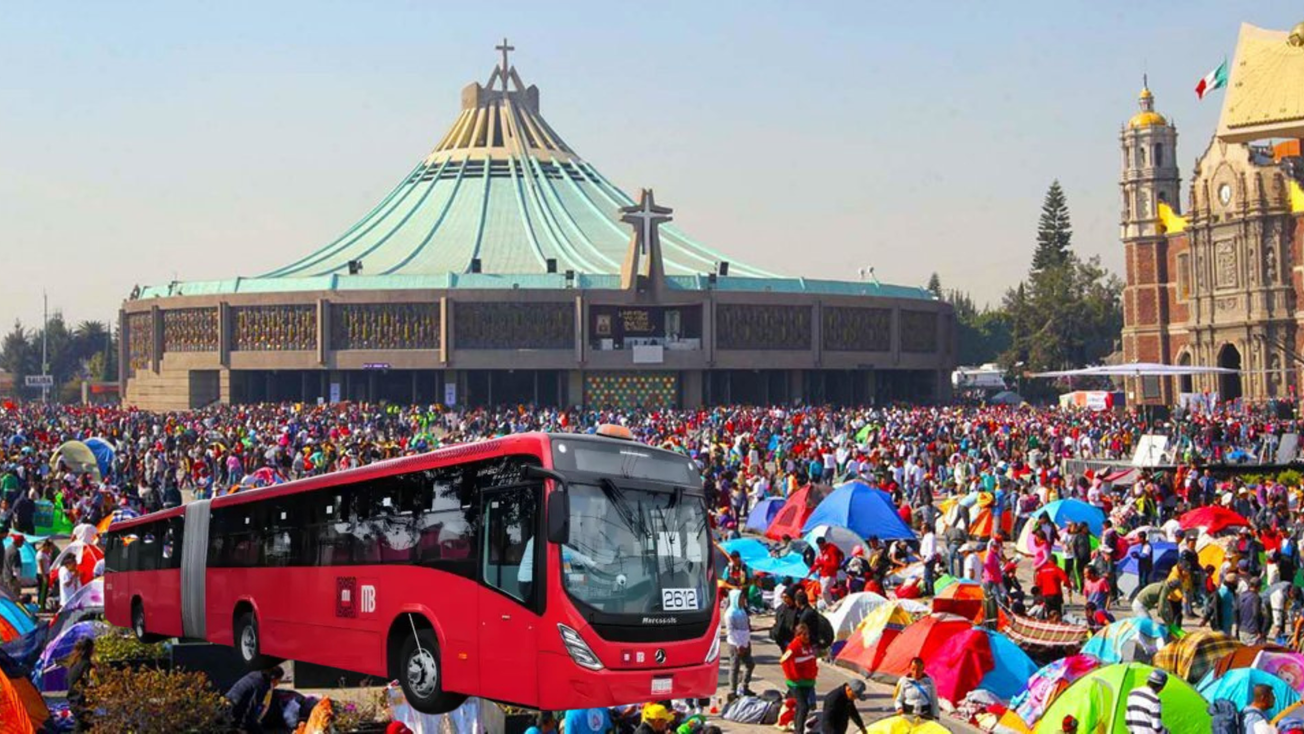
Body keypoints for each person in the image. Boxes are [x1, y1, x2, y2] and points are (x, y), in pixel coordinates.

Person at [780, 622, 819, 734]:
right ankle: (799, 731)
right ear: (799, 635)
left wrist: (814, 673)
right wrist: (793, 676)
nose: (807, 637)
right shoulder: (793, 647)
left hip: (808, 682)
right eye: (804, 634)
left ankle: (797, 728)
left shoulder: (808, 646)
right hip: (796, 683)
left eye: (808, 634)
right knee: (804, 707)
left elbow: (811, 660)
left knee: (800, 707)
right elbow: (784, 661)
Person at [226, 665, 286, 733]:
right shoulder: (261, 685)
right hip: (234, 712)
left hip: (227, 704)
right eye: (279, 680)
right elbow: (250, 707)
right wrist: (242, 728)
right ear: (274, 678)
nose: (278, 683)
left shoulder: (256, 675)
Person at [724, 589, 755, 697]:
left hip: (745, 642)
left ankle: (744, 686)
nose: (743, 600)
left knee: (750, 664)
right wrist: (738, 645)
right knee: (735, 667)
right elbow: (730, 632)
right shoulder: (730, 614)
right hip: (735, 644)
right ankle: (732, 691)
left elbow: (746, 626)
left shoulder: (742, 611)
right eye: (741, 598)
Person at [1123, 668, 1168, 734]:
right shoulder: (1154, 700)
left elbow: (1128, 721)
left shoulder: (1132, 693)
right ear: (1161, 687)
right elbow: (1157, 727)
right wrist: (1166, 732)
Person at [893, 656, 939, 720]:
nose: (916, 672)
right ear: (909, 668)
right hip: (908, 713)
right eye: (913, 669)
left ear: (923, 669)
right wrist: (899, 708)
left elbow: (934, 700)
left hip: (925, 714)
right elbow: (898, 699)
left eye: (919, 669)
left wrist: (936, 716)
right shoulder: (904, 681)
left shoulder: (929, 681)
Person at [65, 636, 95, 733]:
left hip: (73, 702)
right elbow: (91, 683)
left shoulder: (73, 665)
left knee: (81, 727)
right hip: (83, 703)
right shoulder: (87, 665)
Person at [1238, 576, 1267, 645]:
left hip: (1242, 630)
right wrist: (1259, 630)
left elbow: (1236, 610)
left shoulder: (1241, 595)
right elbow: (1255, 614)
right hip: (1252, 631)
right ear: (1258, 587)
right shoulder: (1256, 598)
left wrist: (1238, 626)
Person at [772, 588, 798, 653]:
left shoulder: (797, 609)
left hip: (793, 640)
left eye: (786, 597)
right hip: (782, 639)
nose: (784, 599)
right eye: (783, 597)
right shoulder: (781, 608)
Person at [2, 534, 23, 598]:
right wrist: (19, 579)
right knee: (15, 597)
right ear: (18, 542)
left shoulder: (8, 548)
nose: (22, 544)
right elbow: (16, 567)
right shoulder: (15, 552)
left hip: (6, 576)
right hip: (13, 579)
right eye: (22, 542)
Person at [36, 538, 54, 611]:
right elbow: (41, 566)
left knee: (45, 591)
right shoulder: (40, 555)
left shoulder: (46, 553)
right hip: (42, 574)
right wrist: (44, 576)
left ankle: (42, 605)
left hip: (46, 573)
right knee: (42, 590)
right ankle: (41, 606)